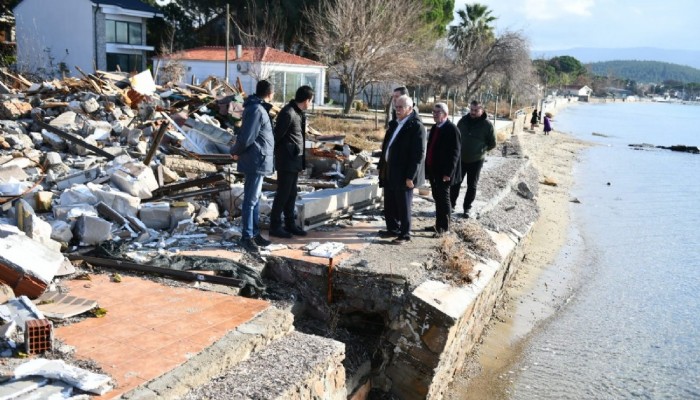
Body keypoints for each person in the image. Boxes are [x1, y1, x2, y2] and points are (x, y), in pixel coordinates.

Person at [230, 80, 275, 251]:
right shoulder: (256, 109)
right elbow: (247, 137)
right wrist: (236, 151)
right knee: (250, 200)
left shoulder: (258, 108)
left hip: (259, 159)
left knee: (255, 199)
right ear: (270, 93)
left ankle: (254, 234)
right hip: (255, 159)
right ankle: (247, 236)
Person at [377, 95, 426, 244]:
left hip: (404, 172)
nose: (397, 110)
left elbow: (419, 154)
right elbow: (387, 146)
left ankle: (405, 234)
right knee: (390, 202)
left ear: (410, 109)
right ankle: (392, 228)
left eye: (401, 107)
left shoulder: (416, 126)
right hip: (390, 170)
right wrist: (381, 166)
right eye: (396, 107)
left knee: (403, 205)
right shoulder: (395, 124)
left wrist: (411, 176)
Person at [269, 85, 315, 238]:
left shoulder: (299, 113)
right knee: (283, 193)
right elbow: (277, 137)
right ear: (307, 100)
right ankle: (275, 226)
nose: (310, 103)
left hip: (295, 160)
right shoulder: (288, 112)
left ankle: (290, 224)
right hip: (286, 160)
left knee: (292, 193)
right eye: (311, 100)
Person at [450, 100, 496, 218]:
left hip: (476, 160)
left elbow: (492, 143)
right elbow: (455, 137)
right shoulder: (463, 121)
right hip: (461, 158)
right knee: (455, 183)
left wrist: (481, 151)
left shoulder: (487, 125)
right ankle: (451, 205)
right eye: (471, 109)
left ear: (482, 110)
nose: (473, 112)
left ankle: (467, 208)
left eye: (476, 110)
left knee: (472, 185)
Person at [425, 102, 461, 237]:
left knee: (444, 199)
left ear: (445, 114)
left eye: (437, 112)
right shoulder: (435, 128)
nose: (434, 115)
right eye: (433, 112)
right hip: (434, 169)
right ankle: (438, 225)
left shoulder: (452, 129)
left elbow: (455, 154)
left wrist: (448, 173)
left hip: (444, 172)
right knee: (437, 198)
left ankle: (444, 228)